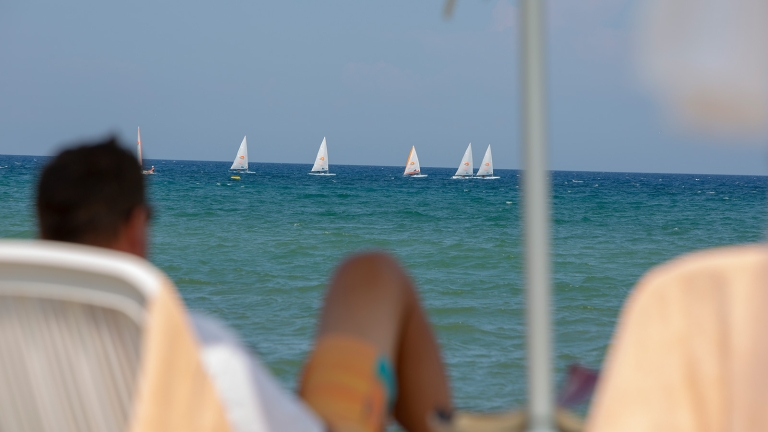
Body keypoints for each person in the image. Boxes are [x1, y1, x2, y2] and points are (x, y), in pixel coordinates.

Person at [36, 137, 453, 432]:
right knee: (370, 275)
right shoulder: (193, 354)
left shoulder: (18, 352)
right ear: (136, 226)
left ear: (43, 232)